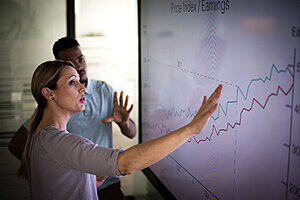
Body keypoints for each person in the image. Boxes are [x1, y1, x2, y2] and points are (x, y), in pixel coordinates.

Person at [18, 60, 222, 199]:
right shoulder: (59, 142)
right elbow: (126, 165)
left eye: (80, 82)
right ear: (49, 94)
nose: (83, 88)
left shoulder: (42, 136)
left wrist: (87, 181)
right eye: (72, 83)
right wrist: (190, 129)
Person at [8, 37, 136, 200]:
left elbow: (132, 133)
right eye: (71, 82)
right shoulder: (54, 131)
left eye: (80, 59)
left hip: (106, 183)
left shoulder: (104, 90)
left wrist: (124, 123)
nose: (79, 66)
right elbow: (126, 164)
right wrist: (64, 173)